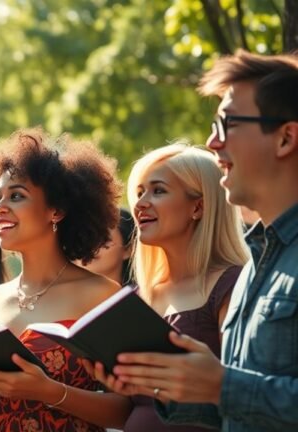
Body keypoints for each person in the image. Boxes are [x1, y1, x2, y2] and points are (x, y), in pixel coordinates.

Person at [108, 51, 298, 431]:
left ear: (285, 138)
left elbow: (234, 392)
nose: (213, 142)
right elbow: (237, 412)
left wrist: (222, 385)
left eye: (228, 125)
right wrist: (171, 389)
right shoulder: (253, 270)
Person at [0, 128, 129, 432]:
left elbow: (126, 412)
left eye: (16, 196)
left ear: (57, 210)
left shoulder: (101, 295)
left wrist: (51, 393)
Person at [89, 143, 249, 432]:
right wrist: (48, 391)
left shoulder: (233, 285)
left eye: (158, 190)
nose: (140, 204)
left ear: (198, 206)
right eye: (139, 193)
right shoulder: (138, 298)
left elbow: (245, 399)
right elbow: (127, 411)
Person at [78, 208, 136, 287]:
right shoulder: (60, 297)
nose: (90, 245)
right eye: (83, 238)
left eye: (104, 239)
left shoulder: (145, 297)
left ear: (128, 249)